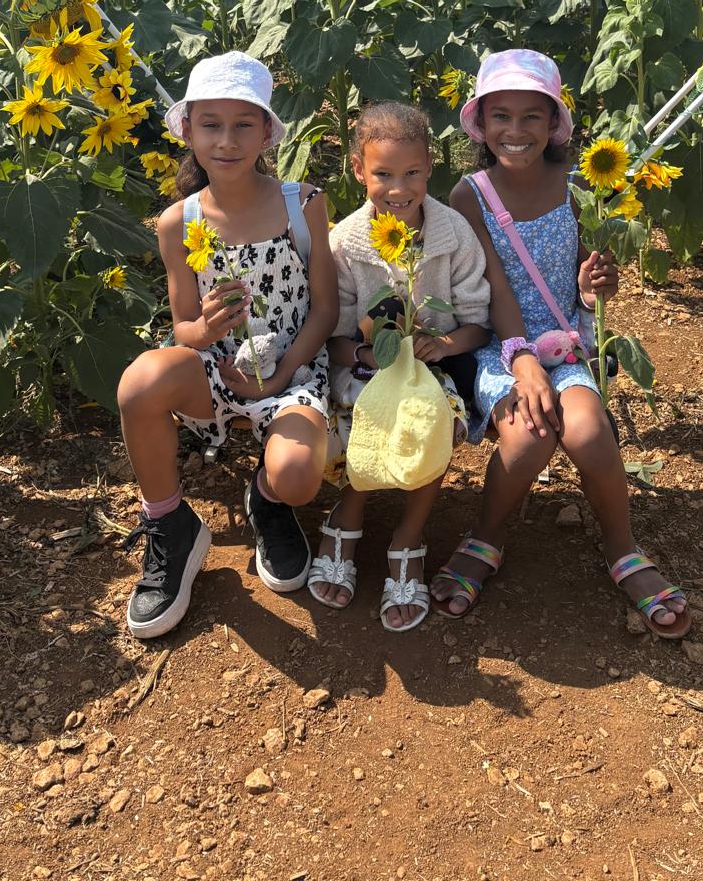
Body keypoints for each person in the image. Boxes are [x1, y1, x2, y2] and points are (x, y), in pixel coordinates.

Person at [430, 49, 691, 637]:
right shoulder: (469, 195)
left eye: (531, 117)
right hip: (497, 346)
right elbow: (492, 284)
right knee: (527, 440)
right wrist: (522, 361)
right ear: (481, 123)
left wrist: (596, 283)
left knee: (592, 432)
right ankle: (486, 537)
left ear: (554, 125)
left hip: (564, 342)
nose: (516, 131)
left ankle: (622, 548)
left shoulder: (578, 187)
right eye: (502, 116)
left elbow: (586, 279)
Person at [116, 53, 338, 639]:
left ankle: (267, 501)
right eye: (210, 124)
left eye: (244, 125)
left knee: (297, 476)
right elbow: (183, 325)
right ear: (187, 130)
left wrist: (284, 370)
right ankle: (169, 524)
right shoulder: (178, 222)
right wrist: (208, 331)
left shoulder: (303, 204)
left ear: (267, 131)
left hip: (292, 371)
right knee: (139, 380)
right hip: (215, 371)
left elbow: (326, 307)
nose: (227, 140)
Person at [313, 102, 490, 631]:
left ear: (430, 167)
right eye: (383, 174)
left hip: (433, 370)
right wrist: (370, 351)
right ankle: (349, 513)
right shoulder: (344, 243)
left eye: (412, 172)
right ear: (357, 169)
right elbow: (333, 338)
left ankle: (408, 534)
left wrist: (445, 342)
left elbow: (478, 322)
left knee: (429, 415)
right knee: (372, 413)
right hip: (362, 369)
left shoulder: (452, 234)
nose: (399, 188)